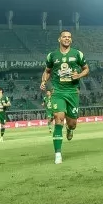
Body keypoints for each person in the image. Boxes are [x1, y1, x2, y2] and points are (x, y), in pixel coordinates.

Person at [40, 30, 90, 164]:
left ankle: (69, 129)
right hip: (58, 92)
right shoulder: (52, 56)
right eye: (64, 37)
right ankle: (58, 154)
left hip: (73, 92)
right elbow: (47, 71)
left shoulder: (77, 54)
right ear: (59, 39)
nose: (67, 39)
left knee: (72, 124)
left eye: (69, 37)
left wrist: (79, 75)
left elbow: (86, 69)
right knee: (58, 118)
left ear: (71, 40)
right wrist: (44, 81)